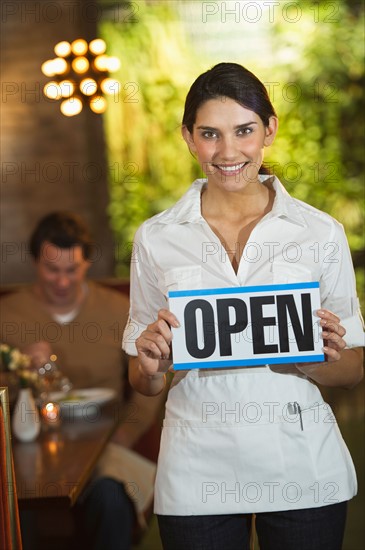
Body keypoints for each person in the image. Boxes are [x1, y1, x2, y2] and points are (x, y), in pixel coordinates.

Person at [122, 63, 364, 550]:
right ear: (188, 137)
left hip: (303, 464)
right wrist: (151, 366)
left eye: (244, 130)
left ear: (269, 130)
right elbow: (143, 379)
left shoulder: (318, 233)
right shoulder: (157, 238)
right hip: (196, 469)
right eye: (210, 133)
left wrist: (309, 361)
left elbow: (354, 367)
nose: (228, 152)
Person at [0, 212, 165, 550]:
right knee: (16, 504)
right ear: (35, 263)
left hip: (106, 446)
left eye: (71, 270)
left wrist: (125, 434)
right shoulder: (8, 315)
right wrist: (20, 372)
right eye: (52, 270)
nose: (62, 282)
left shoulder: (119, 310)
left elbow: (147, 381)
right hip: (28, 453)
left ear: (87, 263)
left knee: (112, 497)